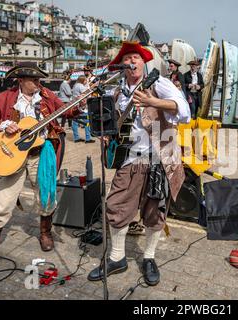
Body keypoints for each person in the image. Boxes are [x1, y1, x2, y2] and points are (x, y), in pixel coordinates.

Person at [87, 41, 190, 286]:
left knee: (155, 211)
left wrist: (153, 102)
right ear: (122, 66)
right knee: (116, 205)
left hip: (159, 158)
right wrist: (106, 133)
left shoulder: (158, 84)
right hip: (130, 158)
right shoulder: (116, 91)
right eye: (127, 59)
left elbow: (184, 110)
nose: (132, 61)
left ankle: (149, 258)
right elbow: (113, 123)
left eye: (136, 58)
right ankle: (117, 257)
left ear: (143, 63)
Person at [0, 62, 85, 265]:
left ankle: (45, 233)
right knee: (3, 201)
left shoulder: (46, 96)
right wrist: (4, 124)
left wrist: (78, 104)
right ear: (21, 81)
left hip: (41, 154)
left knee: (46, 196)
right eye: (34, 80)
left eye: (39, 79)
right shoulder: (6, 97)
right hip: (13, 155)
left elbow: (65, 111)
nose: (39, 83)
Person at [71, 75, 94, 143]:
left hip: (75, 105)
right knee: (87, 121)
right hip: (82, 107)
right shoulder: (81, 86)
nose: (86, 81)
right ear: (82, 80)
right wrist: (92, 87)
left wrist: (89, 84)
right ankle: (88, 138)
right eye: (85, 80)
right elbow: (87, 93)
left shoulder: (75, 85)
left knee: (75, 122)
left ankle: (76, 138)